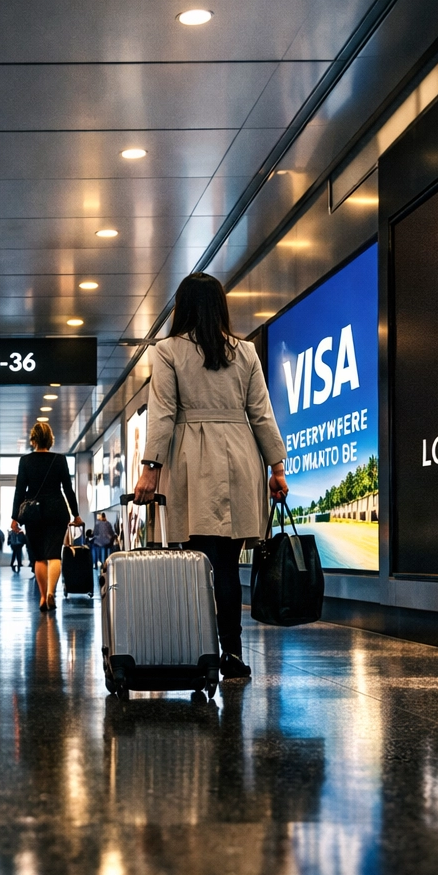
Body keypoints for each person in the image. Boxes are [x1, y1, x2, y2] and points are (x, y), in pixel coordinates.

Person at [132, 272, 288, 681]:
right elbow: (262, 414)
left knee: (201, 564)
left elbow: (163, 413)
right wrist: (277, 468)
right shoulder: (246, 353)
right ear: (220, 305)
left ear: (182, 307)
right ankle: (232, 655)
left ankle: (205, 651)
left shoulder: (168, 351)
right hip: (240, 460)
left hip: (192, 462)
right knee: (229, 566)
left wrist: (150, 469)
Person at [10, 423, 82, 611]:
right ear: (50, 439)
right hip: (57, 511)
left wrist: (15, 517)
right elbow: (68, 489)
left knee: (40, 558)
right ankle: (51, 592)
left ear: (33, 439)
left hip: (34, 513)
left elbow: (19, 491)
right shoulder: (59, 460)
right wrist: (76, 514)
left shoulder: (25, 461)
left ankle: (43, 598)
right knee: (54, 554)